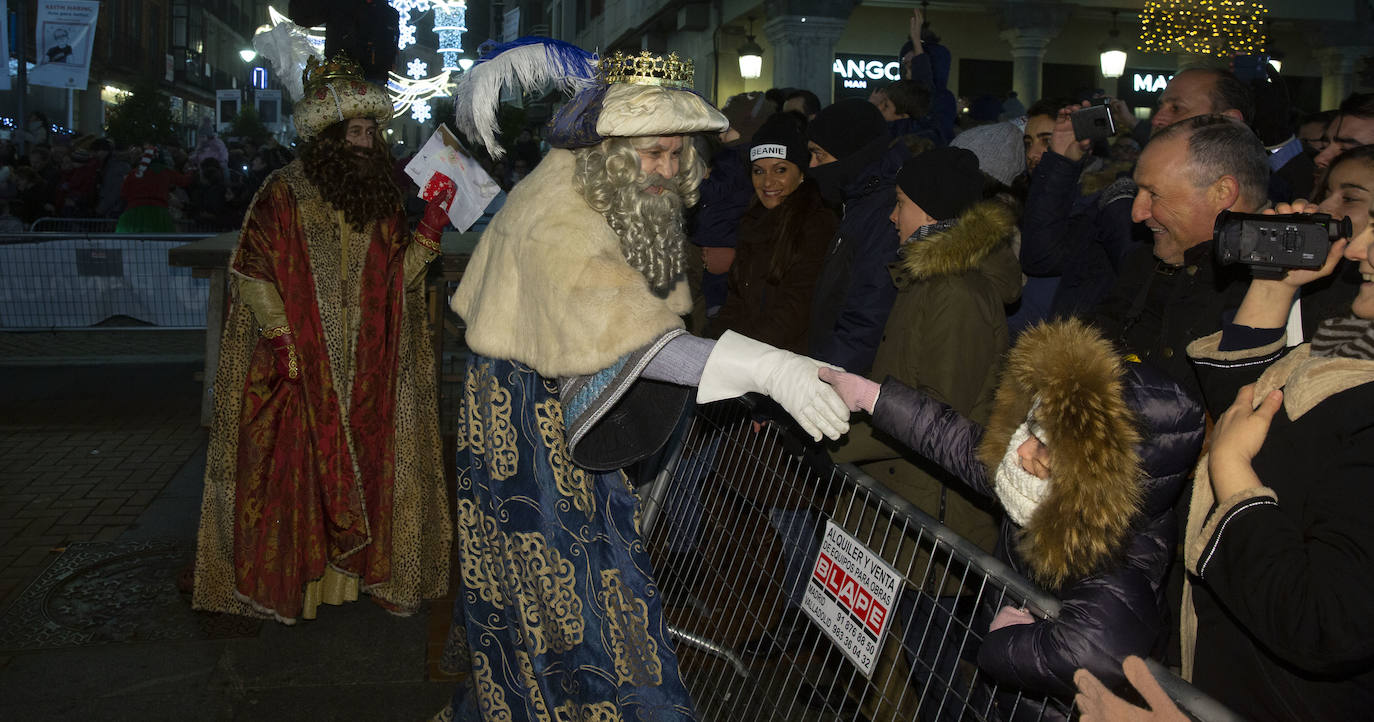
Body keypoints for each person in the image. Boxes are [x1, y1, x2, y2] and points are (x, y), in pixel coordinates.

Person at [443, 42, 850, 720]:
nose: (668, 169)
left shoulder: (611, 189)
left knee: (582, 579)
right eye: (655, 153)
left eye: (677, 153)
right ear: (610, 149)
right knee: (573, 591)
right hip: (529, 423)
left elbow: (640, 321)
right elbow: (635, 340)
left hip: (559, 402)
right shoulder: (559, 216)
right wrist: (767, 367)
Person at [191, 54, 453, 623]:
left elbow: (398, 282)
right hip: (302, 362)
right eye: (356, 132)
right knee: (302, 479)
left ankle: (348, 584)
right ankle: (301, 590)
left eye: (371, 132)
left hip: (370, 365)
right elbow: (252, 270)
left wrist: (431, 226)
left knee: (368, 467)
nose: (367, 142)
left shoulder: (380, 199)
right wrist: (284, 341)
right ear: (330, 137)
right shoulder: (282, 191)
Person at [821, 316, 1203, 705]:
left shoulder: (1120, 557)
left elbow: (1093, 652)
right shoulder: (1035, 484)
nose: (1022, 450)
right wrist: (873, 397)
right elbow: (954, 441)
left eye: (1044, 445)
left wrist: (1005, 643)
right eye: (1032, 430)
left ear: (1094, 473)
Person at [1176, 196, 1374, 720]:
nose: (1358, 248)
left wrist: (1231, 472)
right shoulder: (1359, 342)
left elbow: (1326, 624)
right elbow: (1256, 407)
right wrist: (1274, 285)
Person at [710, 115, 836, 351]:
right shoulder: (752, 220)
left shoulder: (817, 224)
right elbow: (736, 300)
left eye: (780, 170)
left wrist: (741, 353)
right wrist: (712, 344)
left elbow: (796, 308)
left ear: (801, 173)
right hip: (748, 351)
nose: (768, 182)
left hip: (786, 357)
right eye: (758, 171)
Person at [807, 98, 911, 375]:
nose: (812, 166)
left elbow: (867, 317)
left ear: (851, 154)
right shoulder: (859, 202)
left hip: (848, 375)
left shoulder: (883, 213)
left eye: (819, 155)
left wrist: (822, 377)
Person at [116, 145, 192, 232]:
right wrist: (190, 170)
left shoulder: (134, 173)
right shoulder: (165, 171)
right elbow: (185, 181)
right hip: (159, 214)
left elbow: (124, 194)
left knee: (129, 240)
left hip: (133, 214)